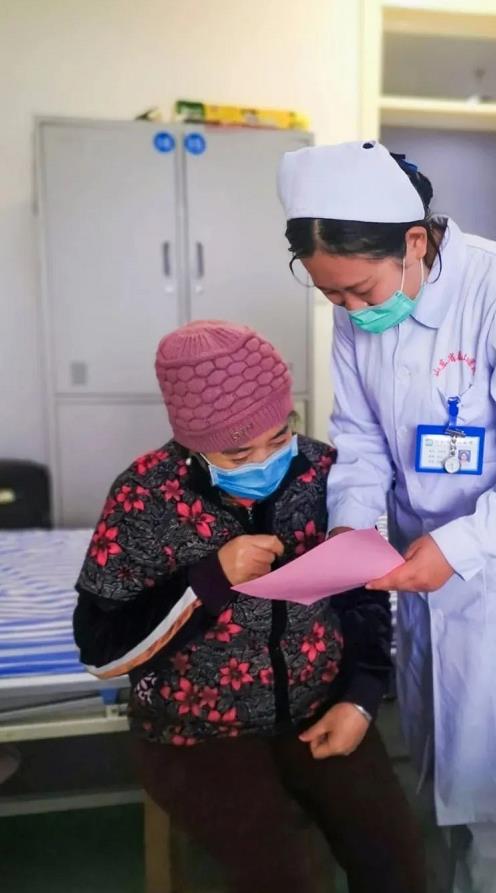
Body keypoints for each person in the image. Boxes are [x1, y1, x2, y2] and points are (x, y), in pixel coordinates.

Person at [278, 141, 496, 893]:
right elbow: (360, 438)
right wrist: (352, 528)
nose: (352, 311)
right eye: (332, 297)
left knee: (494, 799)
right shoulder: (359, 307)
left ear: (414, 242)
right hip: (418, 571)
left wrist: (459, 546)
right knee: (444, 761)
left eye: (359, 290)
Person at [73, 320, 426, 893]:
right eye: (239, 453)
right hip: (196, 731)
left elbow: (362, 596)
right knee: (285, 878)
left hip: (320, 706)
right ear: (191, 443)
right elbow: (101, 650)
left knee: (398, 865)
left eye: (280, 436)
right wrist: (207, 580)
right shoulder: (144, 497)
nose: (266, 460)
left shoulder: (324, 472)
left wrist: (361, 700)